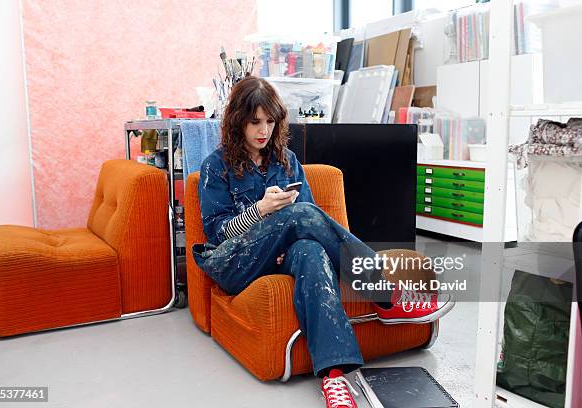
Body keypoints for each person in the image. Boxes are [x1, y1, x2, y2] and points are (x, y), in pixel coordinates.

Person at [193, 76, 454, 408]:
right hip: (234, 263)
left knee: (311, 251)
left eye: (270, 121)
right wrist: (260, 210)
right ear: (237, 121)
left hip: (282, 254)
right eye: (254, 121)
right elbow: (217, 234)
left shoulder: (285, 161)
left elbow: (310, 222)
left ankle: (334, 379)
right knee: (300, 214)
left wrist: (281, 240)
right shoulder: (216, 167)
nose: (263, 130)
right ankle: (386, 295)